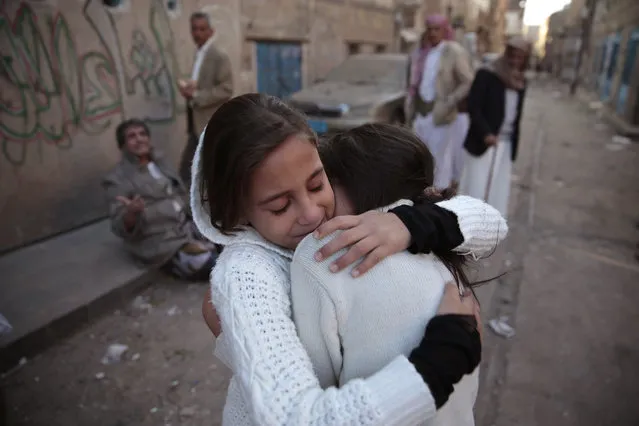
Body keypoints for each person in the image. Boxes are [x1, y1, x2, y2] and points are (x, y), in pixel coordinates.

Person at [192, 93, 507, 425]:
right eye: (280, 206)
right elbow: (294, 418)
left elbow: (492, 225)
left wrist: (408, 224)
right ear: (236, 210)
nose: (312, 214)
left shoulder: (363, 220)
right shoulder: (247, 274)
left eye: (316, 185)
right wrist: (437, 366)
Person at [291, 124, 491, 426]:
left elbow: (314, 389)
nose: (315, 209)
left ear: (352, 184)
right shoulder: (438, 237)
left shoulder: (320, 253)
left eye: (321, 187)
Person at [102, 119, 218, 281]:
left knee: (233, 243)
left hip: (187, 226)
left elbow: (181, 194)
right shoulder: (117, 178)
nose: (139, 139)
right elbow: (119, 226)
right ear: (123, 145)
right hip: (162, 240)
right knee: (214, 267)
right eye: (132, 136)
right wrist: (131, 213)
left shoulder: (161, 162)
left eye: (142, 134)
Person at [459, 36, 531, 218]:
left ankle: (489, 226)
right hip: (484, 141)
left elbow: (516, 115)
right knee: (476, 187)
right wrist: (486, 133)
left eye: (520, 57)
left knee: (498, 189)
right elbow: (473, 106)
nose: (515, 60)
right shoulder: (487, 74)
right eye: (512, 55)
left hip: (506, 142)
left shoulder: (521, 80)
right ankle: (468, 227)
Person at [405, 14, 474, 190]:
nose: (433, 33)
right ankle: (421, 193)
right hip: (420, 111)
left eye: (437, 29)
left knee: (439, 159)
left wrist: (450, 101)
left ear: (444, 31)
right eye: (429, 29)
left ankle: (438, 198)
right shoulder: (420, 51)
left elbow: (467, 81)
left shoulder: (453, 51)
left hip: (440, 113)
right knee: (419, 155)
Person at [177, 11, 233, 188]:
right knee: (192, 170)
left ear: (211, 31)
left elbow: (226, 89)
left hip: (210, 123)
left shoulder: (218, 56)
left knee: (194, 170)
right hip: (196, 124)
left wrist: (196, 95)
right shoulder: (198, 54)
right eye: (194, 29)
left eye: (202, 29)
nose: (197, 33)